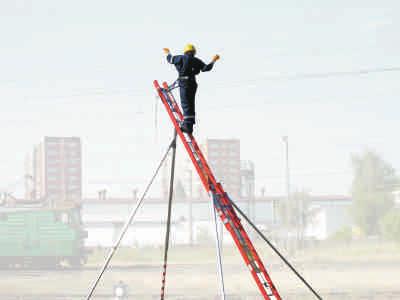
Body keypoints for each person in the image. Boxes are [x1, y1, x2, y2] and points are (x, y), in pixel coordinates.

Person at [163, 44, 220, 134]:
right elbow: (206, 68)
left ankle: (187, 125)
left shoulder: (181, 58)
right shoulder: (196, 60)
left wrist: (168, 53)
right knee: (191, 104)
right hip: (193, 84)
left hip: (184, 83)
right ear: (194, 52)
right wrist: (213, 60)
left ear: (185, 51)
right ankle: (190, 126)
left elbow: (170, 60)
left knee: (186, 104)